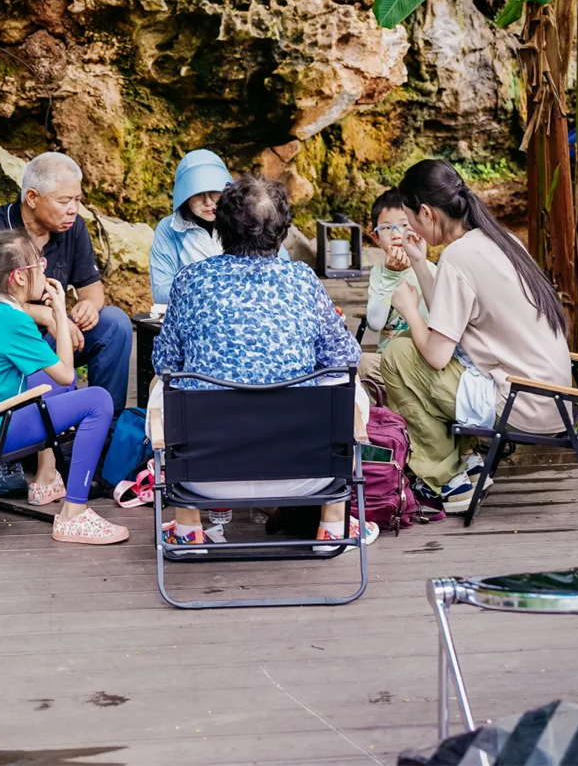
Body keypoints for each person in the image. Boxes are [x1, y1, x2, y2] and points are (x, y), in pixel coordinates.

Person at [150, 175, 378, 552]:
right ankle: (333, 526)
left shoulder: (189, 281)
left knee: (164, 385)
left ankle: (188, 529)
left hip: (203, 477)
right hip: (306, 474)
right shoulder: (303, 281)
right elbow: (346, 357)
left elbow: (164, 362)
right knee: (346, 384)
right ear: (282, 232)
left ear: (221, 228)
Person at [379, 159, 571, 515]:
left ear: (426, 213)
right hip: (553, 399)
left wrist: (408, 311)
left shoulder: (458, 256)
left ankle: (449, 480)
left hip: (521, 404)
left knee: (396, 356)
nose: (410, 228)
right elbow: (449, 318)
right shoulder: (499, 239)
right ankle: (468, 463)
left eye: (410, 219)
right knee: (407, 348)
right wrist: (419, 262)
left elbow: (436, 354)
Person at [0, 229, 128, 545]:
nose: (45, 270)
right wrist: (59, 313)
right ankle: (73, 514)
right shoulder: (14, 322)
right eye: (39, 265)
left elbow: (55, 377)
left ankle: (46, 480)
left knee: (46, 379)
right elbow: (66, 374)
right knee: (97, 401)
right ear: (18, 277)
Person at [0, 153, 132, 415]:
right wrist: (48, 315)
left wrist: (88, 305)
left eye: (77, 200)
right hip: (8, 344)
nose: (73, 209)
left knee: (115, 323)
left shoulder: (73, 227)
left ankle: (109, 424)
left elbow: (92, 286)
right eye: (64, 201)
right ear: (32, 198)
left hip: (54, 338)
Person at [358, 186, 428, 389]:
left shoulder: (430, 271)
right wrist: (390, 275)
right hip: (387, 362)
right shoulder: (379, 273)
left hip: (423, 362)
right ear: (376, 238)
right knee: (360, 364)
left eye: (404, 225)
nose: (396, 234)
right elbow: (375, 323)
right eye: (387, 228)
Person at [149, 149, 233, 304]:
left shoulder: (246, 219)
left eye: (214, 191)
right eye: (198, 193)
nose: (208, 202)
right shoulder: (169, 228)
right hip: (193, 312)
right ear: (185, 196)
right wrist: (208, 292)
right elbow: (161, 293)